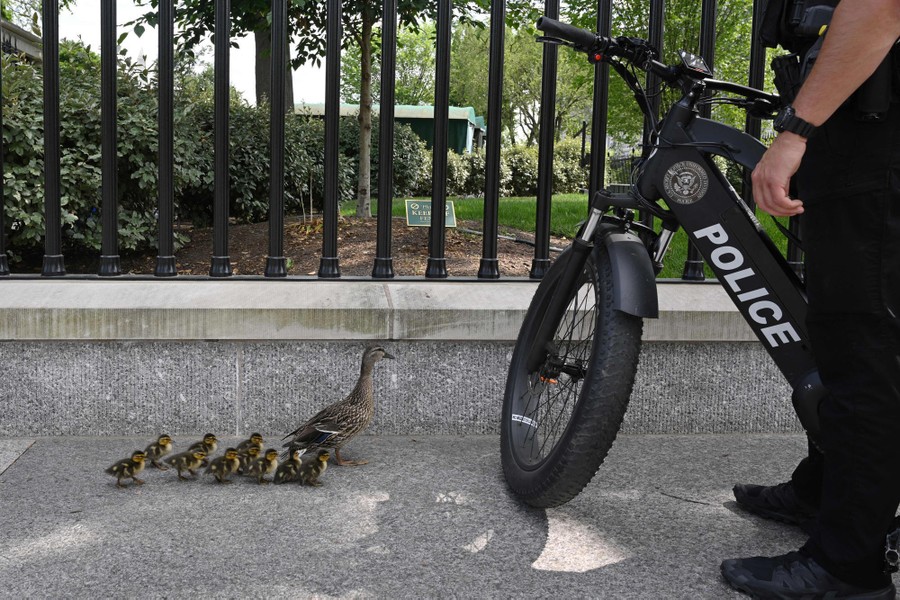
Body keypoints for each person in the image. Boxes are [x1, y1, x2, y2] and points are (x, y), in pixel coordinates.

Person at [719, 1, 900, 598]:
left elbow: (880, 8)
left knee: (863, 352)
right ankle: (822, 492)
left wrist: (796, 131)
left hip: (876, 141)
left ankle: (848, 564)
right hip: (861, 137)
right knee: (837, 333)